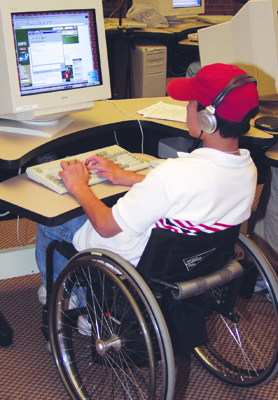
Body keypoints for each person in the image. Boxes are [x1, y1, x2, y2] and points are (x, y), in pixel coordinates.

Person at [36, 63, 259, 305]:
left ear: (207, 120)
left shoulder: (173, 176)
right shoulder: (246, 168)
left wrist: (79, 185)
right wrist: (126, 176)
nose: (186, 108)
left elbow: (105, 226)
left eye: (190, 103)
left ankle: (74, 302)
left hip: (134, 262)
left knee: (53, 217)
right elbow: (190, 189)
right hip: (194, 263)